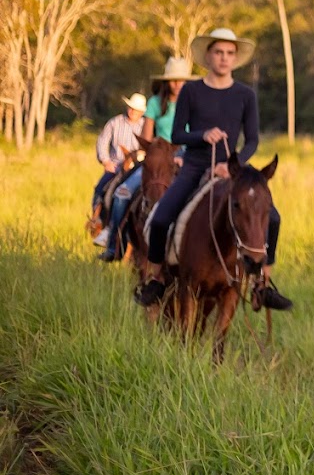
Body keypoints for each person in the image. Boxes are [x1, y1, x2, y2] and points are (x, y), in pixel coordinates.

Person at [133, 29, 292, 311]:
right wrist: (202, 135)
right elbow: (179, 135)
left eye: (230, 53)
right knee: (160, 219)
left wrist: (234, 164)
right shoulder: (192, 91)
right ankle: (157, 279)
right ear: (208, 56)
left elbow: (252, 139)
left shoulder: (245, 94)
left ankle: (264, 283)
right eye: (219, 52)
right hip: (195, 164)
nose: (224, 58)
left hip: (233, 168)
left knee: (274, 218)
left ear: (236, 58)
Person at [100, 58, 197, 262]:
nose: (178, 85)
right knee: (122, 192)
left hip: (186, 157)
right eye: (173, 81)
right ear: (166, 81)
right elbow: (147, 135)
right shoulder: (154, 103)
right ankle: (114, 244)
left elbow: (197, 134)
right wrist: (157, 153)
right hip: (158, 155)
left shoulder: (194, 102)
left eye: (181, 81)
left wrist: (184, 157)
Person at [91, 94, 147, 248]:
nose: (133, 112)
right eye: (131, 108)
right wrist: (106, 160)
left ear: (142, 112)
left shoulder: (145, 126)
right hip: (116, 166)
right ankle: (100, 221)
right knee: (102, 189)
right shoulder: (115, 122)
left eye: (136, 110)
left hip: (138, 167)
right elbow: (102, 141)